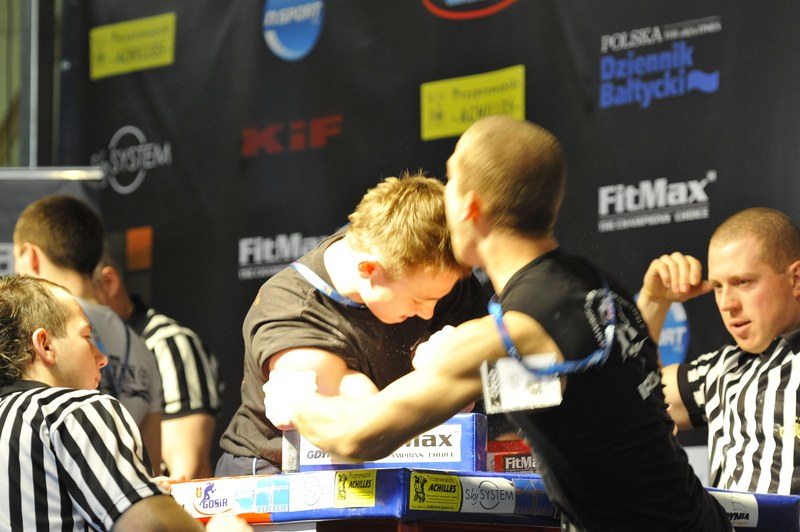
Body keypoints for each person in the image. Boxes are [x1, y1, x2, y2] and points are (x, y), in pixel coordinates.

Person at [266, 116, 731, 531]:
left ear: (469, 208)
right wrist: (457, 360)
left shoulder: (513, 332)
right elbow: (590, 392)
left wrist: (299, 401)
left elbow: (357, 437)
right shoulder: (598, 285)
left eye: (449, 180)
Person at [216, 173, 492, 476]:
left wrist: (462, 376)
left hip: (411, 460)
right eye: (417, 300)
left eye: (439, 298)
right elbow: (363, 428)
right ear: (369, 270)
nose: (429, 313)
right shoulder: (292, 308)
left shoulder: (435, 269)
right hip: (279, 469)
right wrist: (445, 372)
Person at [0, 275, 251, 531]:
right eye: (87, 336)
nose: (102, 358)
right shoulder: (73, 409)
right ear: (44, 345)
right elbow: (148, 526)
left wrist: (136, 489)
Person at [637, 206, 800, 495]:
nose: (727, 303)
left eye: (743, 282)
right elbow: (632, 399)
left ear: (795, 279)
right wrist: (654, 303)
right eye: (717, 286)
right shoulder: (721, 369)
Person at [13, 194, 163, 474]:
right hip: (127, 495)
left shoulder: (25, 331)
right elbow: (149, 461)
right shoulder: (141, 347)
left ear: (31, 256)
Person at [94, 249, 224, 480]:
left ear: (109, 282)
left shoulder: (168, 344)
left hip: (152, 500)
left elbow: (187, 473)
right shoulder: (77, 349)